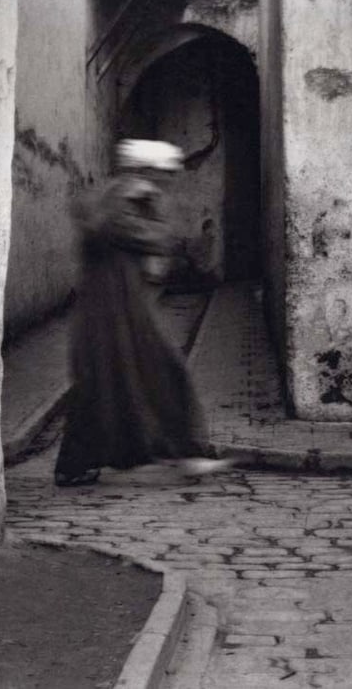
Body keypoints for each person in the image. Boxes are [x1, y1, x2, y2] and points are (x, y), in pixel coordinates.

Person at [54, 138, 231, 486]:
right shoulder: (120, 201)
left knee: (103, 385)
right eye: (162, 174)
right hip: (111, 312)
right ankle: (186, 452)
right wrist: (152, 210)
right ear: (145, 170)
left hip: (123, 308)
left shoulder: (126, 198)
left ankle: (78, 465)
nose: (166, 182)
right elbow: (151, 238)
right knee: (155, 375)